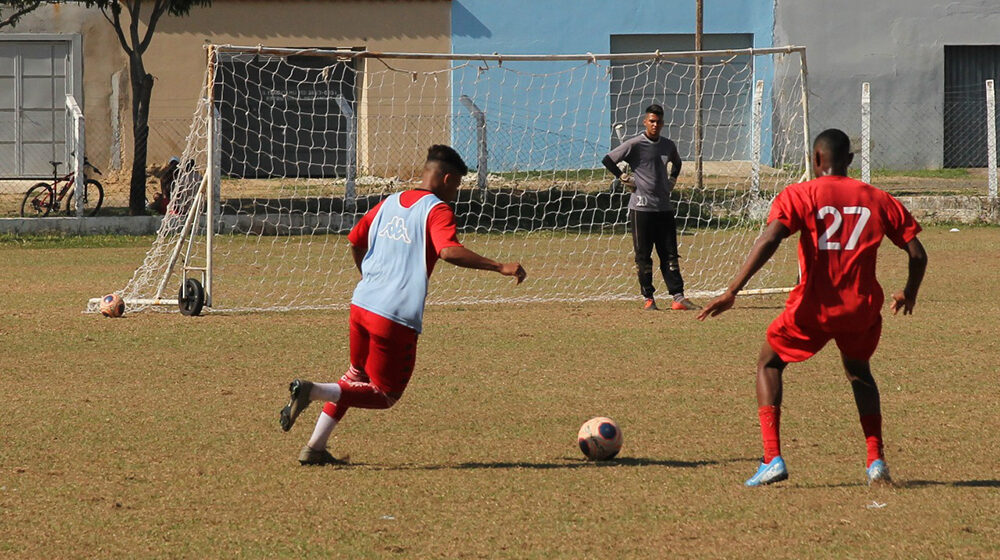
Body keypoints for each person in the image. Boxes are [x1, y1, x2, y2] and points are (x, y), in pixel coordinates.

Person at [697, 129, 927, 487]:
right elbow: (917, 254)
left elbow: (771, 237)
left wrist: (732, 290)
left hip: (814, 308)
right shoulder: (879, 198)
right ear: (850, 160)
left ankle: (772, 458)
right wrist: (909, 293)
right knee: (859, 373)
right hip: (860, 311)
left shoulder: (800, 193)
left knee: (769, 362)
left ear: (815, 159)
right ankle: (875, 461)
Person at [279, 145, 528, 465]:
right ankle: (311, 392)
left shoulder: (389, 202)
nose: (456, 192)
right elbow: (448, 251)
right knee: (385, 395)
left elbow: (355, 240)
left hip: (362, 304)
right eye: (457, 185)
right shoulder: (437, 209)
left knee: (355, 375)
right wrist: (499, 266)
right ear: (447, 178)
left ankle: (314, 448)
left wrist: (370, 278)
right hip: (393, 317)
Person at [602, 104, 699, 311]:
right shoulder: (635, 144)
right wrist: (623, 177)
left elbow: (678, 163)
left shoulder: (668, 145)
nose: (655, 125)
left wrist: (672, 179)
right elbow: (608, 160)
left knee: (670, 255)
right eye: (651, 121)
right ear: (645, 122)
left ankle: (678, 297)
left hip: (663, 208)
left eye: (659, 122)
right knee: (643, 256)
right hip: (641, 209)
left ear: (663, 124)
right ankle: (649, 298)